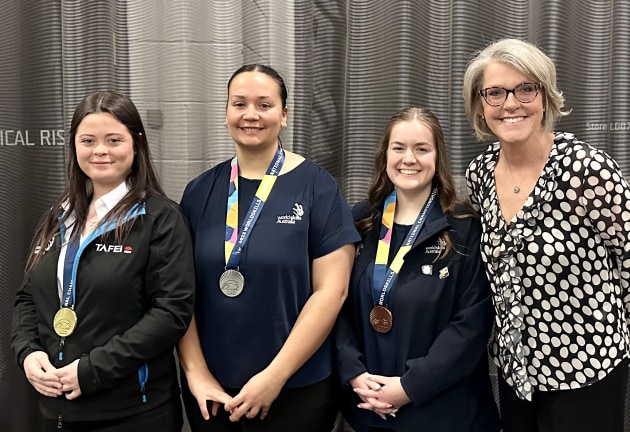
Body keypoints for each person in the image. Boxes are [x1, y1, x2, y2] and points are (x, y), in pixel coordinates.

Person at [177, 64, 359, 432]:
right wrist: (196, 374)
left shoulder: (317, 187)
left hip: (295, 387)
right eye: (239, 104)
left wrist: (274, 377)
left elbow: (332, 291)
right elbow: (177, 293)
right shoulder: (199, 192)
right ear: (227, 113)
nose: (250, 115)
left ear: (284, 115)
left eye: (264, 104)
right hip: (212, 391)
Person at [463, 38, 630, 432]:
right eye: (495, 92)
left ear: (545, 96)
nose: (510, 103)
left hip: (586, 372)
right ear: (480, 105)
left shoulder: (587, 171)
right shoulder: (480, 174)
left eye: (526, 88)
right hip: (515, 373)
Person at [11, 91, 195, 432]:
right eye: (88, 140)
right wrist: (28, 353)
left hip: (132, 413)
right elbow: (27, 297)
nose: (100, 151)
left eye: (114, 140)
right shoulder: (58, 215)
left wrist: (92, 369)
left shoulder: (160, 219)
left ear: (136, 144)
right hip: (56, 409)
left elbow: (171, 313)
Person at [335, 107, 500, 432]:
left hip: (446, 415)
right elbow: (334, 303)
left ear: (438, 157)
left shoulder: (465, 227)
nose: (408, 158)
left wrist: (410, 387)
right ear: (385, 155)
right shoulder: (361, 221)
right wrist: (352, 372)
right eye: (399, 148)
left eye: (421, 149)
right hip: (371, 409)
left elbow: (471, 325)